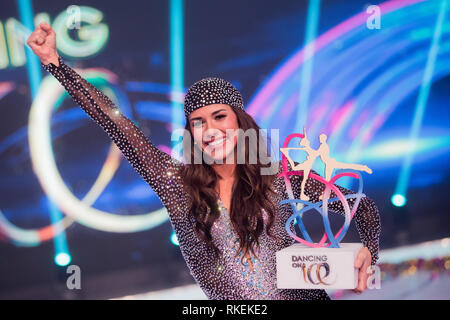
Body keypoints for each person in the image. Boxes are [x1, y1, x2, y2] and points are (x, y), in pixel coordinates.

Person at [27, 22, 381, 300]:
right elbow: (114, 121)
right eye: (198, 122)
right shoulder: (175, 184)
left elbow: (362, 208)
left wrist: (369, 254)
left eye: (219, 117)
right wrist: (56, 65)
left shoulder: (279, 178)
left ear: (240, 121)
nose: (209, 129)